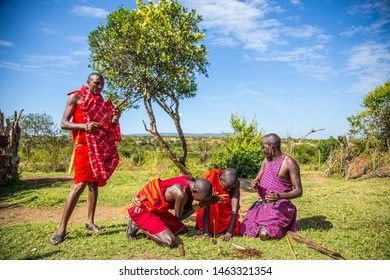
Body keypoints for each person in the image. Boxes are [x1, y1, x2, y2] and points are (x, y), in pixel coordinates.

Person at [49, 72, 122, 245]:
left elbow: (106, 128)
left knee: (94, 184)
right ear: (88, 82)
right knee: (80, 184)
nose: (99, 87)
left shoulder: (102, 103)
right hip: (82, 147)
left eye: (102, 84)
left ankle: (90, 222)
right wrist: (85, 126)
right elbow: (63, 123)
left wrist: (114, 120)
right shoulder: (76, 97)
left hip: (98, 147)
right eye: (96, 83)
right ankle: (61, 229)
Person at [126, 175, 222, 248]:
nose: (200, 201)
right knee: (169, 242)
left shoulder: (191, 182)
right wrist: (200, 205)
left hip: (156, 209)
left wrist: (209, 198)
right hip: (141, 209)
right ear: (195, 192)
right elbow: (179, 217)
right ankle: (138, 224)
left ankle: (147, 223)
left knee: (182, 229)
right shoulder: (181, 193)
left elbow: (186, 207)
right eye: (201, 200)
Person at [240, 133, 303, 240]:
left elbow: (299, 191)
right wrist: (255, 184)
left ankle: (285, 225)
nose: (261, 150)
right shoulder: (266, 160)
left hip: (281, 206)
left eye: (263, 147)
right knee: (244, 229)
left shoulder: (289, 163)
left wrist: (279, 196)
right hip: (262, 204)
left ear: (271, 146)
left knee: (264, 234)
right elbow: (257, 179)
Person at [194, 168, 241, 241]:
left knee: (236, 227)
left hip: (225, 212)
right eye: (226, 187)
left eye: (231, 188)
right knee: (205, 205)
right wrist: (206, 232)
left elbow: (234, 209)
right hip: (209, 209)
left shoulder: (235, 183)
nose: (228, 190)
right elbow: (206, 205)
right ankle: (207, 229)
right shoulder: (212, 178)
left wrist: (229, 232)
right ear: (221, 179)